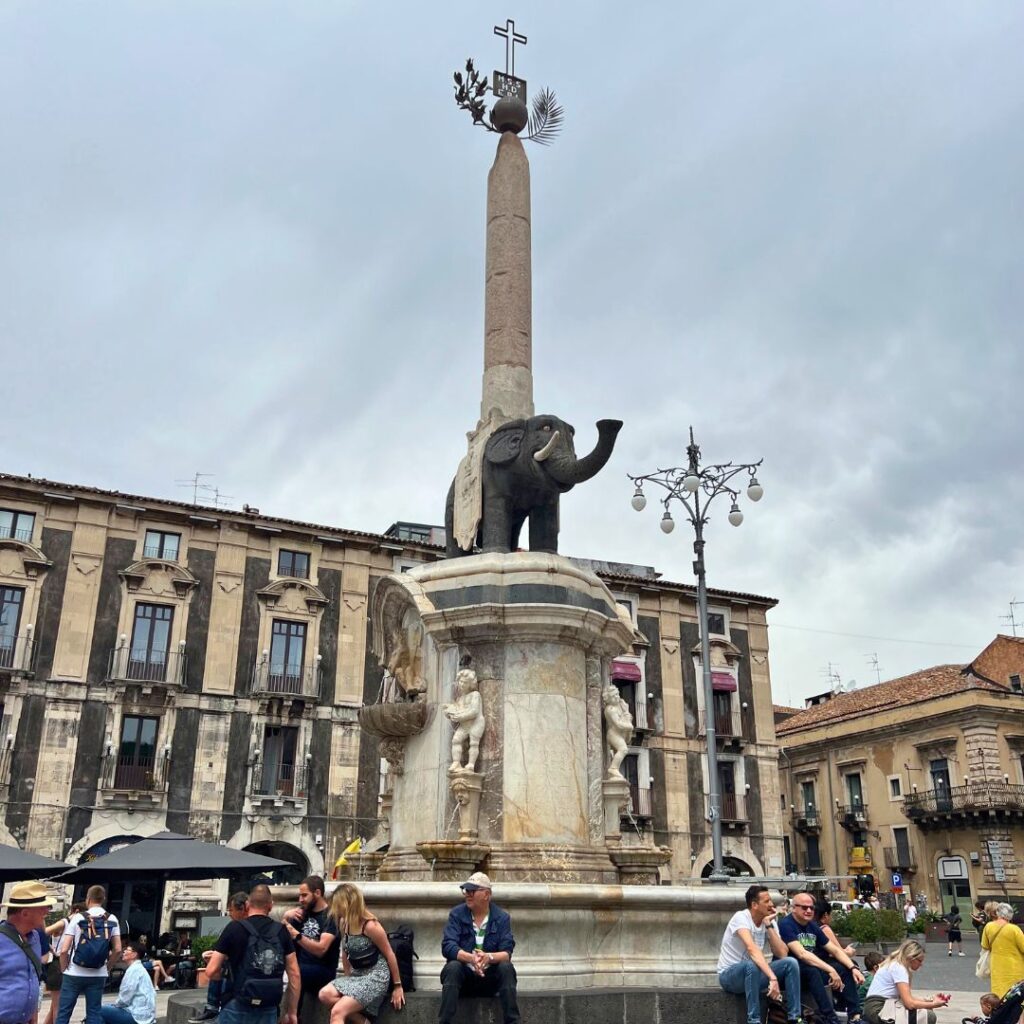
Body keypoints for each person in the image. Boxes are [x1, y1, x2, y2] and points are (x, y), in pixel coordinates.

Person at [205, 884, 299, 1024]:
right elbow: (294, 974)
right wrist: (292, 1012)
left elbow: (211, 970)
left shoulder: (234, 928)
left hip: (236, 1003)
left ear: (248, 904)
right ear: (271, 906)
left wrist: (225, 974)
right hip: (269, 1007)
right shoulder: (281, 931)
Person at [437, 872, 518, 1024]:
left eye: (472, 891)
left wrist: (488, 957)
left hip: (490, 980)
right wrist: (471, 958)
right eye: (466, 891)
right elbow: (448, 946)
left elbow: (507, 952)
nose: (467, 894)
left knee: (506, 968)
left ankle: (513, 1021)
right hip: (464, 979)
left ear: (486, 894)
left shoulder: (502, 918)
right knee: (452, 967)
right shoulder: (456, 914)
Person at [318, 882, 404, 1024]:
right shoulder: (344, 923)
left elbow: (389, 954)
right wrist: (347, 980)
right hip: (357, 975)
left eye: (338, 905)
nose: (335, 910)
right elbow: (345, 953)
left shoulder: (370, 925)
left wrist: (397, 986)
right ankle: (363, 1021)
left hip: (375, 976)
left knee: (337, 1012)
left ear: (348, 904)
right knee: (324, 995)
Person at [717, 884, 803, 1024]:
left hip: (754, 975)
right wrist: (772, 978)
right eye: (766, 901)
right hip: (730, 976)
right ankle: (754, 1020)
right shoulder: (741, 917)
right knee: (752, 965)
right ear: (754, 905)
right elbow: (752, 949)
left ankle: (794, 1018)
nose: (771, 904)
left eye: (771, 900)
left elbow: (782, 954)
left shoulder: (768, 920)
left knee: (791, 963)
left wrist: (769, 925)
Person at [779, 890, 863, 1024]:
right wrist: (830, 969)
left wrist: (853, 968)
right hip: (794, 974)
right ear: (793, 909)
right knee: (812, 970)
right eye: (804, 907)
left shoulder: (812, 925)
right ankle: (831, 1018)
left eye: (811, 908)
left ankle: (855, 1016)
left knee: (844, 967)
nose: (808, 911)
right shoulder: (786, 924)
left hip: (813, 970)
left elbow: (835, 950)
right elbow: (802, 954)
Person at [56, 885, 122, 1024]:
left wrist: (64, 969)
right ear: (103, 899)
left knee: (63, 1013)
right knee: (94, 1013)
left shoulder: (78, 917)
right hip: (98, 974)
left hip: (73, 972)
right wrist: (107, 968)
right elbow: (117, 949)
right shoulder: (112, 919)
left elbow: (64, 949)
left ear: (88, 899)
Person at [281, 876, 339, 1016]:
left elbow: (321, 949)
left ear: (317, 893)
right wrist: (285, 917)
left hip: (323, 971)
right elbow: (284, 939)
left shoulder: (330, 917)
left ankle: (292, 1016)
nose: (300, 899)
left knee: (298, 972)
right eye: (300, 895)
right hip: (300, 966)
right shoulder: (300, 913)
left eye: (304, 895)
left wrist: (297, 934)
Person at [0, 881, 56, 1024]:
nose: (47, 911)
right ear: (25, 913)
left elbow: (32, 979)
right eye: (42, 907)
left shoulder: (35, 937)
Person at [188, 892, 249, 1023]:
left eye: (231, 910)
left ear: (243, 909)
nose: (230, 914)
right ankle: (213, 1006)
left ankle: (213, 1006)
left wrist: (217, 957)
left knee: (217, 967)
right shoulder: (238, 926)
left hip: (241, 973)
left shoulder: (236, 927)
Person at [862, 939, 949, 1024]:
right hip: (879, 1009)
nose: (921, 964)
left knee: (924, 1012)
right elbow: (909, 1003)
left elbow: (907, 998)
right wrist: (934, 1004)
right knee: (928, 1016)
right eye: (920, 961)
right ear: (911, 957)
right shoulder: (899, 968)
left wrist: (930, 1000)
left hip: (876, 1006)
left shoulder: (895, 964)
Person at [99, 941, 156, 1024]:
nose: (124, 952)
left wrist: (114, 1005)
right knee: (105, 1010)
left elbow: (124, 998)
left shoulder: (134, 970)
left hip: (137, 1016)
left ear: (134, 954)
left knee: (97, 1010)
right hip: (144, 1014)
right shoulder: (138, 968)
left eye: (127, 950)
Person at [981, 902, 1024, 999]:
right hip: (1015, 968)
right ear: (1010, 915)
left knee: (999, 995)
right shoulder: (1014, 929)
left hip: (997, 967)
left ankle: (1000, 1011)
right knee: (1016, 996)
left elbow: (985, 945)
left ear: (998, 913)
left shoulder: (988, 927)